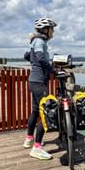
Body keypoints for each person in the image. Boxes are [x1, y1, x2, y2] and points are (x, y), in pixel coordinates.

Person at [23, 17, 57, 160]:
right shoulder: (40, 41)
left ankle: (29, 139)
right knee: (46, 112)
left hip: (33, 81)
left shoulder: (35, 41)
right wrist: (53, 71)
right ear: (46, 30)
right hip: (39, 82)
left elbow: (27, 56)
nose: (53, 32)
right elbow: (41, 58)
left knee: (36, 111)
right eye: (52, 29)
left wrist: (35, 63)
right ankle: (37, 148)